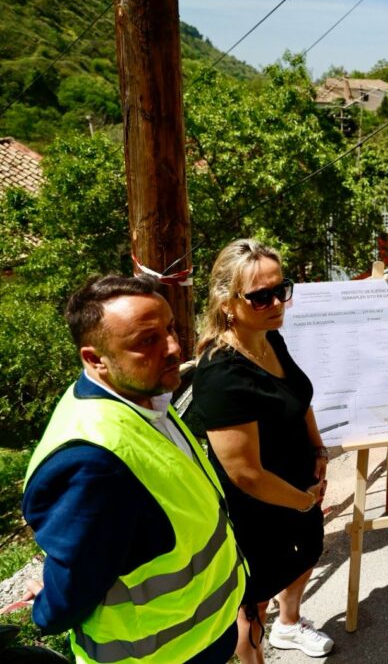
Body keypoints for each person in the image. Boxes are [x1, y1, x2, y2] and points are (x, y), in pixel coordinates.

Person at [21, 274, 245, 663]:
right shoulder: (92, 463)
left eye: (171, 329)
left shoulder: (142, 392)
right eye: (147, 341)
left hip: (204, 634)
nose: (174, 348)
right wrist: (42, 611)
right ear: (94, 359)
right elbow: (71, 589)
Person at [184, 240, 332, 662]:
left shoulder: (268, 337)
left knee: (308, 552)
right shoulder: (221, 372)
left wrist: (318, 449)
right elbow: (244, 473)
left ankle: (289, 625)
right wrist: (303, 501)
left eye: (281, 289)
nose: (276, 303)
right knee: (252, 605)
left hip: (299, 486)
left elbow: (298, 396)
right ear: (228, 302)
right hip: (258, 508)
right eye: (260, 296)